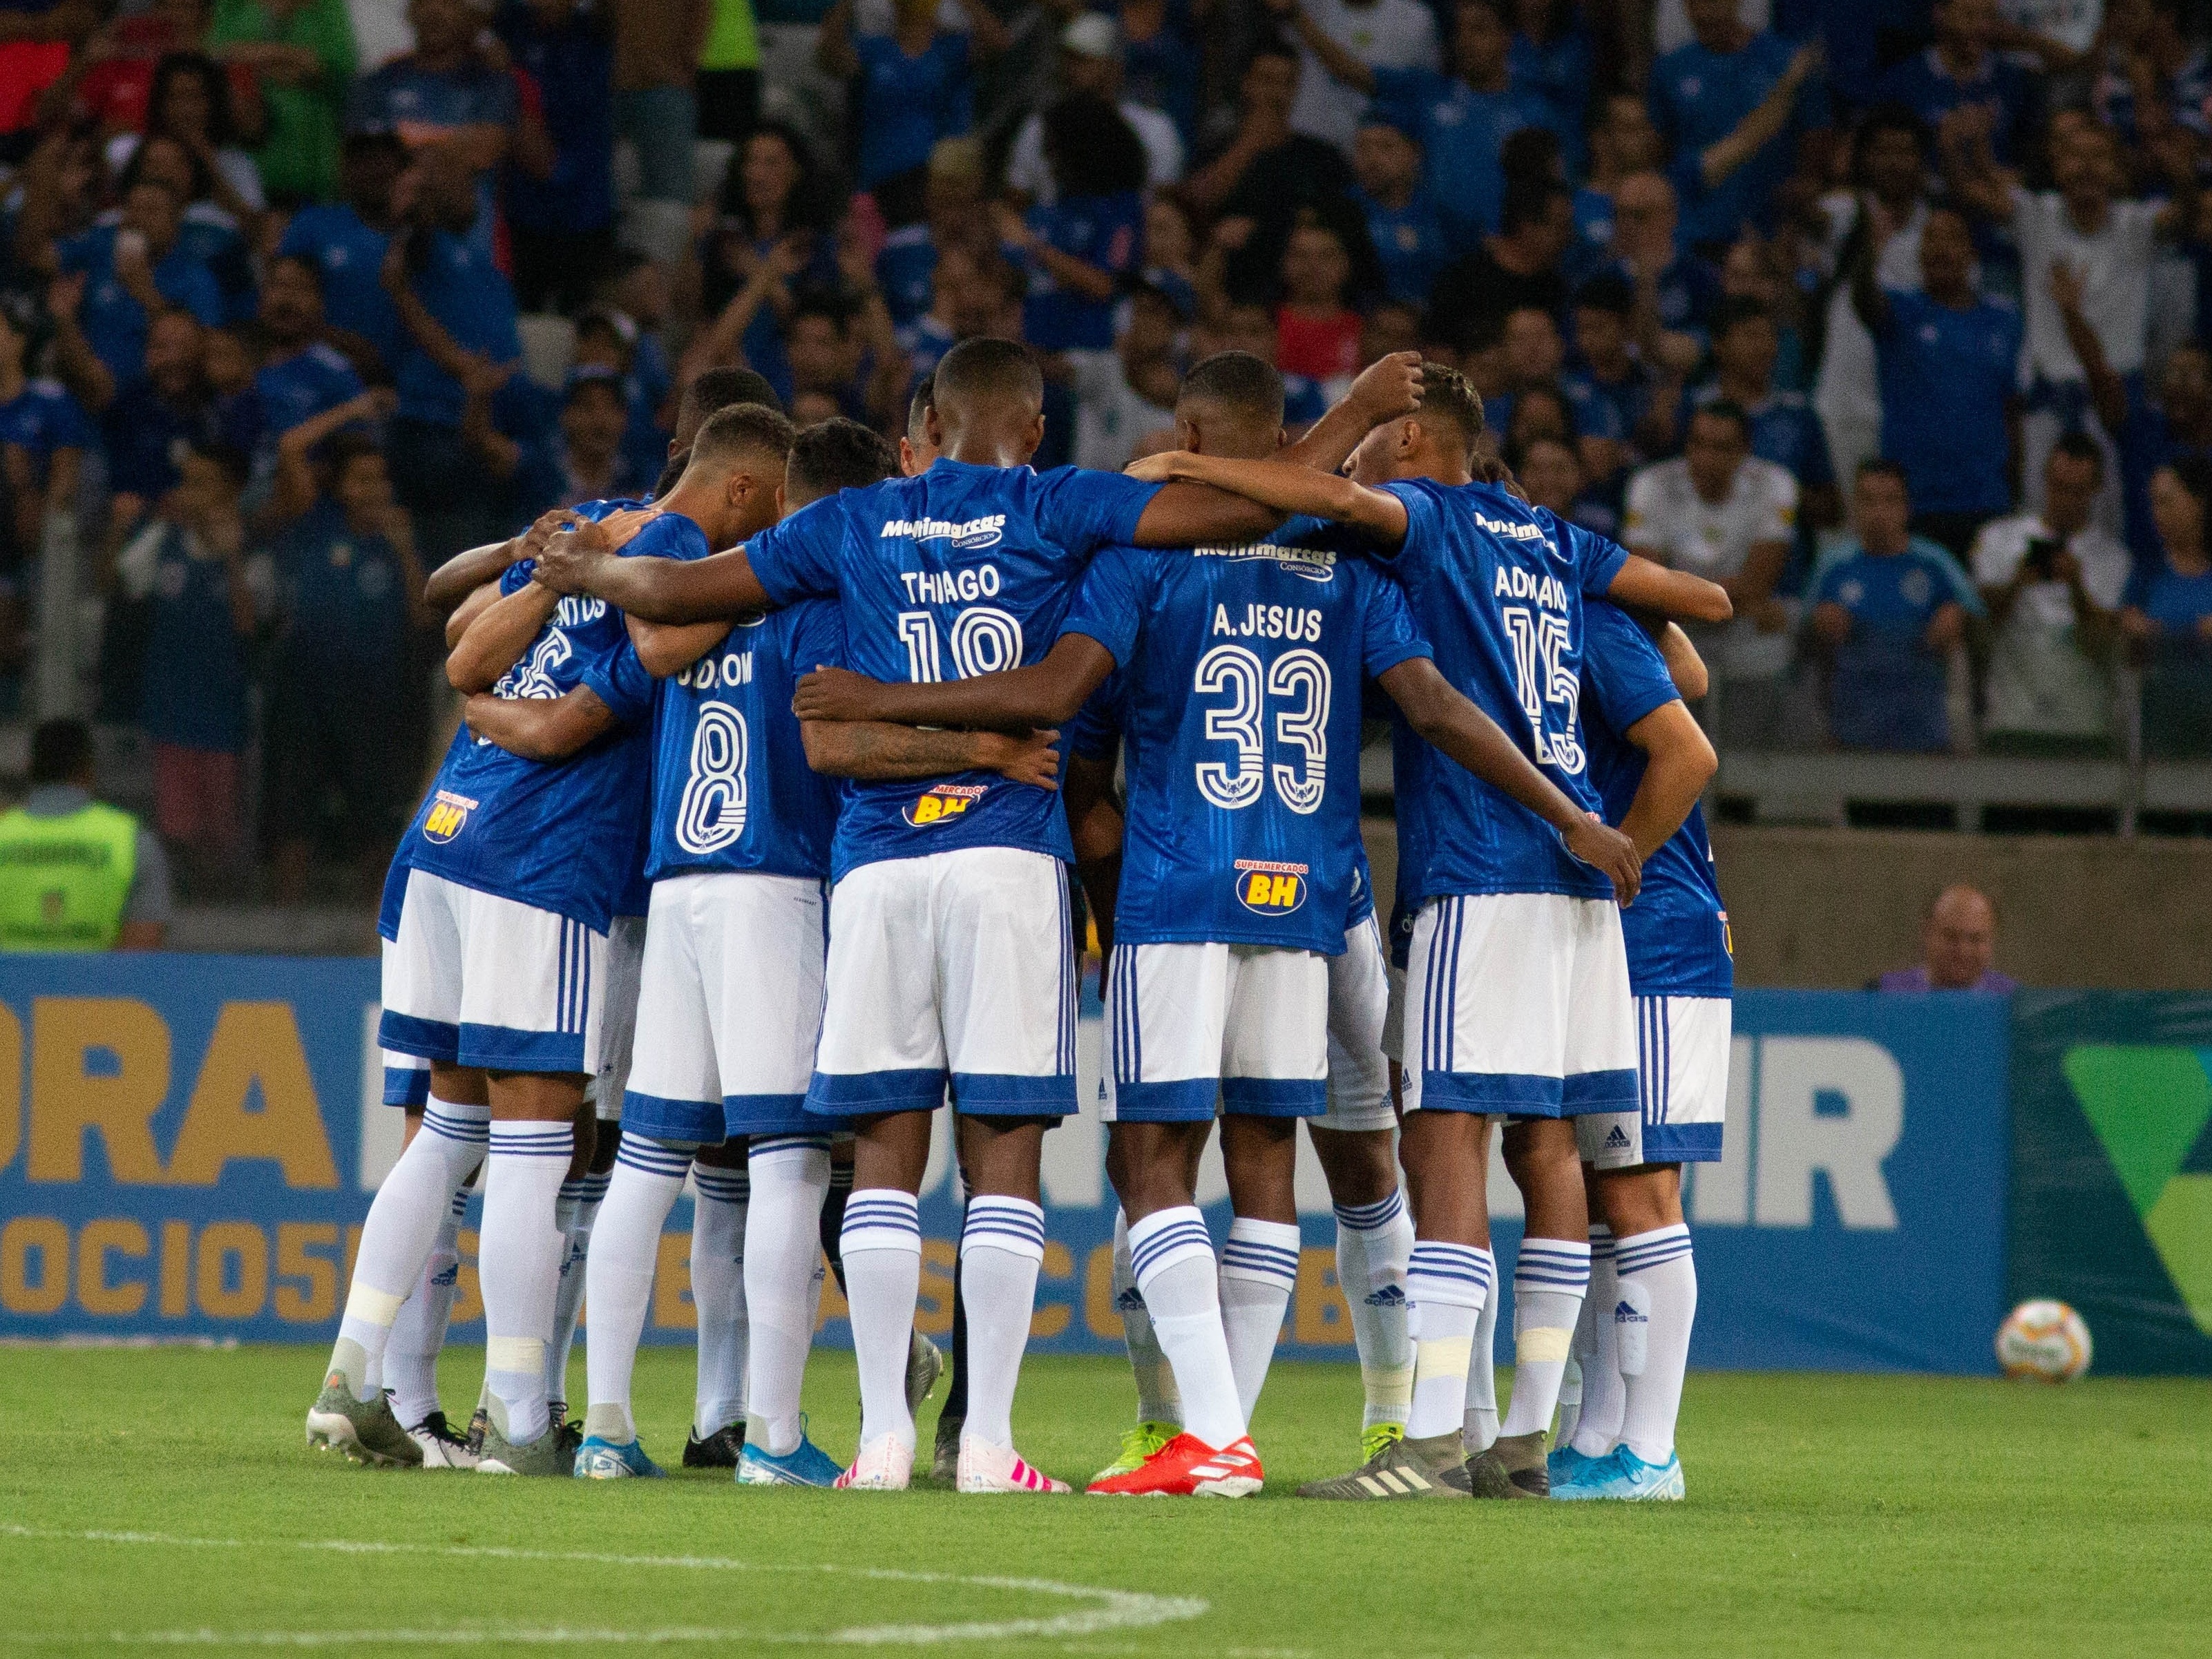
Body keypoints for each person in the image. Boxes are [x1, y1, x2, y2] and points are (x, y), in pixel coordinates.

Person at [533, 339, 1435, 1492]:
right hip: (1007, 856)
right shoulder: (1060, 503)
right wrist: (1352, 410)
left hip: (875, 866)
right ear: (1034, 423)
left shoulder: (852, 522)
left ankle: (879, 1441)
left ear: (931, 425)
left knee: (882, 1154)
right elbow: (1234, 515)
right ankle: (991, 1445)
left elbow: (677, 592)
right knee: (1002, 1154)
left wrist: (586, 572)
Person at [794, 352, 1639, 1495]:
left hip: (1179, 883)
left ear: (1187, 431)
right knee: (1277, 1163)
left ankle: (1208, 1432)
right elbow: (1434, 702)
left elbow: (1063, 704)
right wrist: (1571, 809)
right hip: (1306, 894)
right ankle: (1329, 1420)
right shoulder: (1345, 568)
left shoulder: (1145, 558)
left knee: (1152, 1159)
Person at [1107, 362, 1732, 1502]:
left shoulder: (1425, 521)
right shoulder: (1556, 543)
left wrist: (1187, 462)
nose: (1349, 467)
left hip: (1481, 872)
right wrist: (1607, 833)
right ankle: (1525, 1435)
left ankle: (1432, 1439)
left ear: (1406, 441)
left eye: (1366, 447)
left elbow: (1342, 516)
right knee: (1547, 1158)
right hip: (1581, 909)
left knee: (1441, 1148)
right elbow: (1707, 604)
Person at [305, 437, 660, 1477]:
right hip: (540, 868)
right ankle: (514, 1413)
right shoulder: (676, 574)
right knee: (536, 1139)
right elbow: (559, 723)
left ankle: (354, 1374)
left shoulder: (585, 531)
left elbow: (459, 635)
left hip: (440, 844)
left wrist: (548, 564)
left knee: (446, 1132)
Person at [1546, 606, 1721, 1503]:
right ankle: (1599, 1434)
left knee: (1640, 1189)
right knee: (1602, 1203)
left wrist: (1617, 865)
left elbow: (1691, 740)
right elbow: (1689, 673)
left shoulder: (1589, 618)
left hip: (1655, 941)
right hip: (1618, 945)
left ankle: (1652, 1451)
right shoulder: (1570, 632)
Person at [258, 427, 429, 905]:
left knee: (375, 821)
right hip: (305, 693)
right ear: (339, 486)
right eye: (362, 479)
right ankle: (281, 925)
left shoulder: (396, 543)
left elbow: (422, 617)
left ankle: (372, 936)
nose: (374, 490)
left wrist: (404, 548)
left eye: (380, 480)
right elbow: (290, 446)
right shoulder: (314, 523)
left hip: (373, 698)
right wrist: (358, 411)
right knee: (292, 816)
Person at [113, 439, 261, 887]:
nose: (189, 494)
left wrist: (232, 556)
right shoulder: (164, 540)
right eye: (187, 483)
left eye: (203, 485)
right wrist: (120, 530)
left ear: (230, 492)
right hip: (170, 714)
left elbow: (249, 625)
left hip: (224, 719)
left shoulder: (250, 550)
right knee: (175, 832)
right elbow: (116, 583)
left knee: (220, 836)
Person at [1306, 0, 1558, 248]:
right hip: (1437, 250)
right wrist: (1296, 17)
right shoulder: (1428, 92)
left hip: (1506, 251)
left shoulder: (1535, 112)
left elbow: (1552, 192)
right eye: (1460, 30)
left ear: (1507, 38)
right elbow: (1351, 72)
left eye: (1479, 29)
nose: (1465, 40)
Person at [1849, 206, 2021, 562]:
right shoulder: (1902, 311)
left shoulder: (2003, 321)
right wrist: (1870, 252)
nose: (1940, 247)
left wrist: (2013, 488)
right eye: (1931, 238)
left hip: (1985, 498)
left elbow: (2012, 410)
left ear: (1972, 254)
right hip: (1916, 500)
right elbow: (1866, 301)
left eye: (1952, 238)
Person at [1624, 402, 1798, 745]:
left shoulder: (1776, 485)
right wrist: (1724, 596)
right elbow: (1648, 592)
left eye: (1721, 448)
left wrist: (1681, 591)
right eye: (1699, 445)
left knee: (1778, 635)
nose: (1707, 458)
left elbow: (1757, 586)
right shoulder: (1650, 485)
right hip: (1673, 638)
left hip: (1742, 642)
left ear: (1743, 453)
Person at [1972, 433, 2128, 754]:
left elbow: (2102, 644)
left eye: (2077, 491)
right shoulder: (1999, 538)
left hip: (2083, 725)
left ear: (2095, 489)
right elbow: (1980, 625)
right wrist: (2017, 582)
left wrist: (2076, 587)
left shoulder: (2114, 559)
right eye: (2057, 487)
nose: (2065, 500)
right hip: (2013, 719)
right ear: (2044, 480)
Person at [1809, 461, 1979, 754]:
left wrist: (1959, 620)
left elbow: (1980, 625)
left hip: (1924, 735)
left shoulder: (1935, 563)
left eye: (1890, 501)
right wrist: (1818, 626)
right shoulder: (1833, 565)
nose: (1879, 513)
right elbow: (1801, 639)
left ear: (1906, 507)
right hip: (1852, 734)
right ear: (1855, 507)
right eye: (1868, 501)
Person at [1648, 0, 1824, 248]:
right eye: (1693, 3)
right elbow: (1661, 152)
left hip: (1769, 234)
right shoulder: (1669, 69)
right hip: (1694, 233)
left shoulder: (1786, 61)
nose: (1703, 11)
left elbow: (1817, 138)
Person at [0, 718, 173, 952]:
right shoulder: (133, 841)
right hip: (98, 988)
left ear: (29, 767)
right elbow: (141, 955)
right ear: (89, 769)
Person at [815, 0, 1005, 195]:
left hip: (937, 181)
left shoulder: (952, 48)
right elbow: (829, 60)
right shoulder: (875, 50)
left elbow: (997, 43)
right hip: (880, 180)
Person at [1003, 13, 1184, 205]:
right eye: (1068, 59)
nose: (1071, 70)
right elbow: (1015, 203)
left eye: (1084, 60)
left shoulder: (1155, 129)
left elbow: (1165, 208)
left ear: (1114, 68)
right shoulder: (1037, 127)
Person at [276, 131, 410, 372]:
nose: (375, 170)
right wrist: (339, 342)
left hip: (410, 378)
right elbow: (278, 302)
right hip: (323, 374)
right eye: (363, 160)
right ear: (346, 169)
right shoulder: (312, 225)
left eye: (383, 159)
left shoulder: (423, 234)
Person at [2120, 456, 2212, 757]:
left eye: (2168, 502)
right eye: (2155, 504)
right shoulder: (2146, 577)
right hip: (2159, 729)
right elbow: (2130, 641)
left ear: (2197, 503)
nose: (2159, 514)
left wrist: (2159, 631)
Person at [1268, 0, 1441, 153]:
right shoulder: (1311, 5)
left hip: (1382, 150)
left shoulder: (1416, 18)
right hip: (1314, 141)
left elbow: (1424, 89)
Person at [1876, 884, 2016, 992]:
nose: (1963, 951)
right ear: (1927, 933)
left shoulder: (2016, 1006)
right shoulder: (1883, 995)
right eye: (1951, 937)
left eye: (1976, 939)